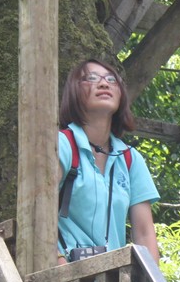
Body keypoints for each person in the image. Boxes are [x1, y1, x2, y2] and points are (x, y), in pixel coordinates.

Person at [56, 59, 160, 265]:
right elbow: (38, 213)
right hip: (62, 273)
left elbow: (144, 233)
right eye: (91, 78)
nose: (104, 84)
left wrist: (152, 281)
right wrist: (58, 263)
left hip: (112, 278)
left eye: (112, 80)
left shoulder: (130, 158)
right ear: (73, 91)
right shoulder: (61, 144)